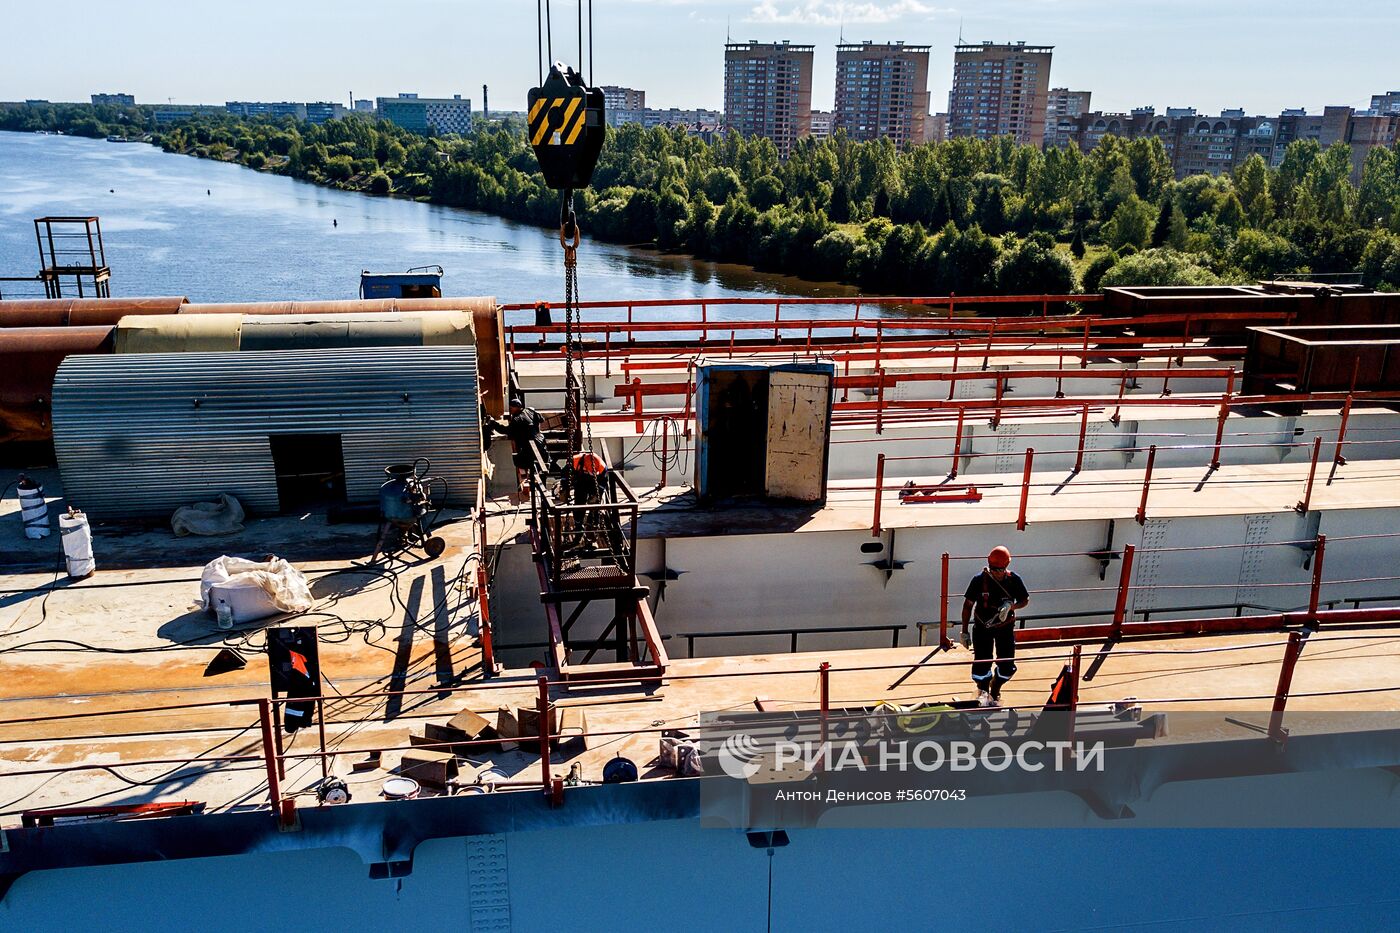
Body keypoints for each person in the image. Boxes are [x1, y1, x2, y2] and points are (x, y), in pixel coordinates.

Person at [960, 545, 1030, 707]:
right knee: (981, 665)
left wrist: (1010, 607)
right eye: (993, 568)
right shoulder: (979, 580)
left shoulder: (1014, 580)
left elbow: (1025, 600)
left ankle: (996, 687)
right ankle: (983, 692)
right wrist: (964, 631)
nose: (996, 572)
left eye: (1000, 569)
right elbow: (967, 606)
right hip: (982, 628)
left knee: (1007, 666)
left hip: (1005, 628)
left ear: (1006, 566)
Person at [490, 397, 545, 487]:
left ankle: (527, 476)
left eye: (511, 408)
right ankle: (531, 476)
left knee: (520, 460)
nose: (510, 410)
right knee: (538, 462)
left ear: (517, 407)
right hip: (540, 440)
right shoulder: (530, 410)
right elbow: (541, 419)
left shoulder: (517, 420)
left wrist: (493, 423)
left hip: (530, 445)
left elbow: (506, 430)